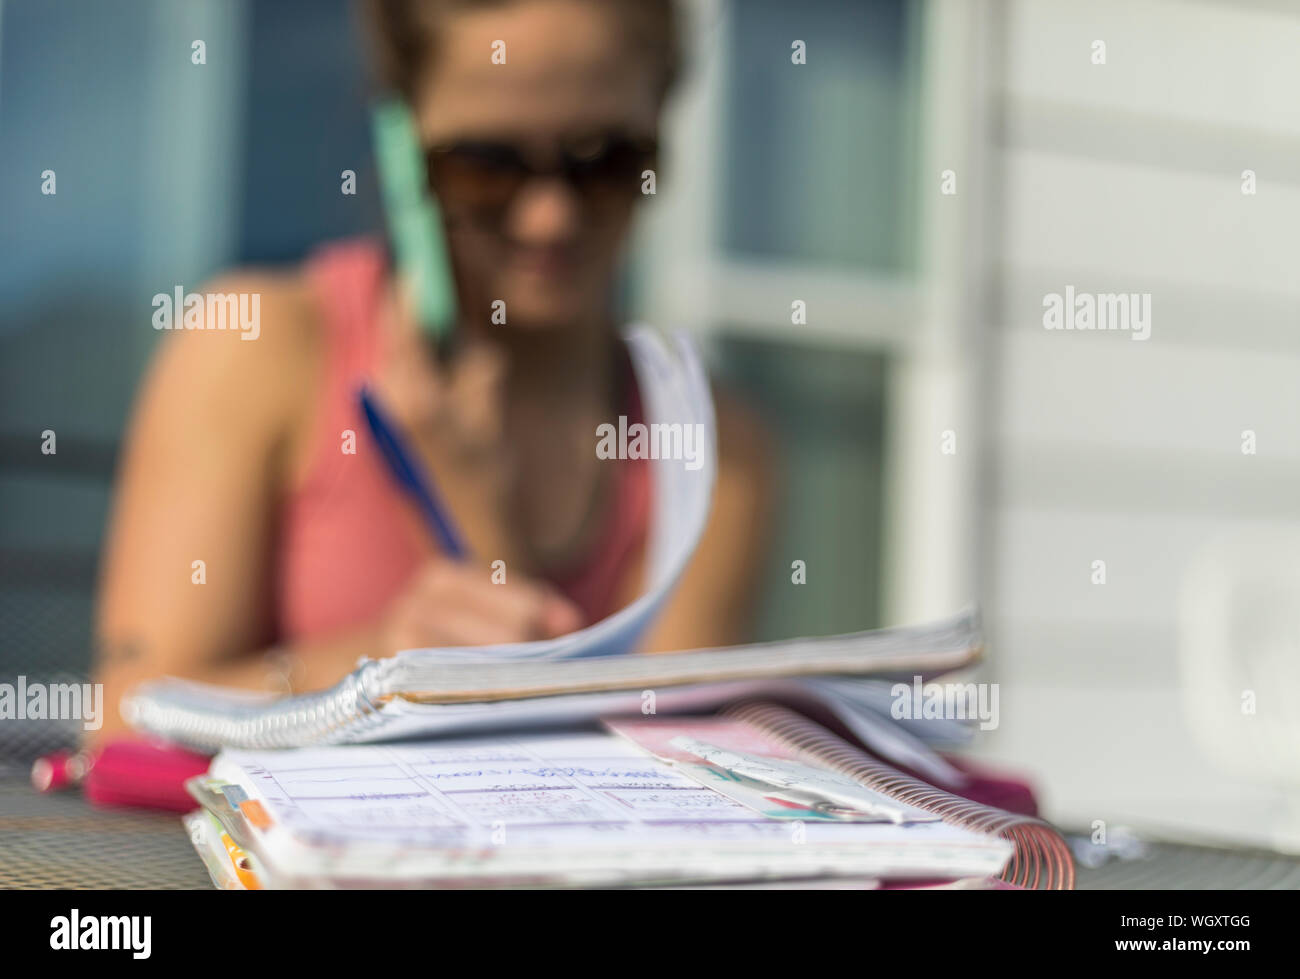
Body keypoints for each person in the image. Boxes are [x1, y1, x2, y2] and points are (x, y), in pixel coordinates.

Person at [91, 0, 772, 741]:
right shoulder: (255, 346)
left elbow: (664, 786)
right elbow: (122, 716)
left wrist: (476, 509)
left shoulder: (716, 451)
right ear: (399, 142)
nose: (550, 219)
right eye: (486, 167)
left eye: (604, 162)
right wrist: (375, 669)